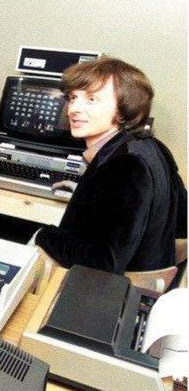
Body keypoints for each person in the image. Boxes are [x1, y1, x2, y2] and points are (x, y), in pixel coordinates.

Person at [35, 56, 187, 274]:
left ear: (125, 108)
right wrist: (98, 202)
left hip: (108, 293)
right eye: (72, 98)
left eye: (91, 99)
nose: (74, 109)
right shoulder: (152, 146)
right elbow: (182, 220)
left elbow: (105, 263)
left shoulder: (125, 166)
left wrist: (43, 235)